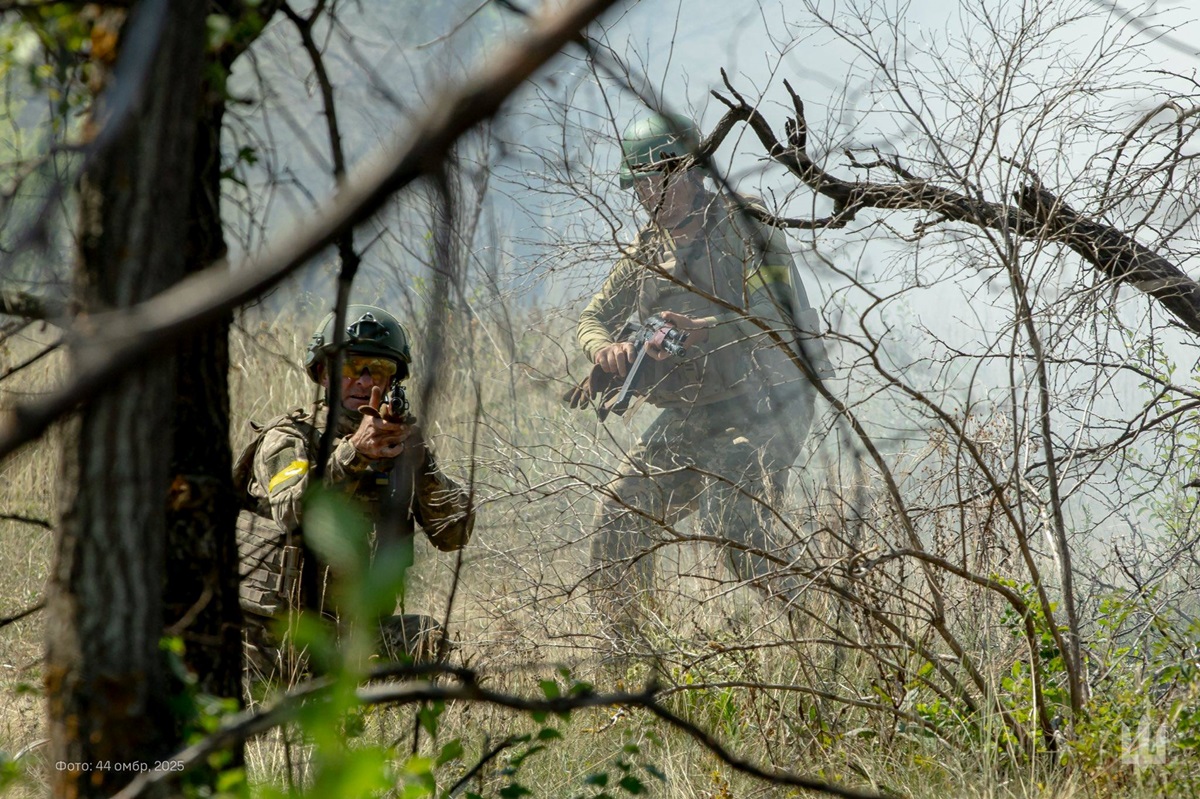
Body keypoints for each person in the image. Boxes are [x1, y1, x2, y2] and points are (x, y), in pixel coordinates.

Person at [569, 112, 823, 651]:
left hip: (771, 399)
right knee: (619, 515)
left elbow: (783, 326)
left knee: (731, 519)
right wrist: (607, 350)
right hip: (698, 408)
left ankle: (825, 624)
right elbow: (591, 318)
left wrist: (705, 329)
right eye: (641, 183)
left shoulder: (747, 230)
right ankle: (632, 661)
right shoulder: (645, 250)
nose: (654, 193)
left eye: (665, 176)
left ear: (694, 172)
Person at [235, 305, 473, 680]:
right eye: (349, 367)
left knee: (425, 639)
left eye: (378, 370)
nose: (363, 381)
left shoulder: (399, 446)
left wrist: (422, 467)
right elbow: (292, 512)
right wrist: (354, 454)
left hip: (351, 632)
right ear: (322, 373)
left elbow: (455, 534)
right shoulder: (288, 438)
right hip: (276, 634)